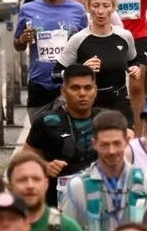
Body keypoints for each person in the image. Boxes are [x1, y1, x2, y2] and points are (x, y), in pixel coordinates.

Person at [60, 110, 147, 231]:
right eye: (104, 145)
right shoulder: (77, 187)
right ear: (94, 144)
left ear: (127, 141)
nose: (111, 151)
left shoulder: (146, 184)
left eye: (117, 143)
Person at [55, 0, 144, 125]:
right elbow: (55, 74)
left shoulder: (125, 36)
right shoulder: (78, 39)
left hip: (119, 103)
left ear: (113, 8)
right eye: (95, 6)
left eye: (106, 5)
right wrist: (81, 69)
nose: (101, 11)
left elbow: (133, 62)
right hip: (88, 105)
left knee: (122, 144)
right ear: (88, 8)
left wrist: (135, 70)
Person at [22, 64, 102, 208]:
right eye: (75, 88)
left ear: (95, 90)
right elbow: (25, 158)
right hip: (56, 204)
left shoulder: (106, 120)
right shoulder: (46, 121)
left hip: (99, 203)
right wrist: (45, 166)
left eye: (88, 88)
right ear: (63, 91)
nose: (82, 93)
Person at [14, 0, 89, 112]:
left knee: (67, 133)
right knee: (39, 133)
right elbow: (18, 45)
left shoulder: (78, 9)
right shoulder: (28, 9)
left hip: (68, 83)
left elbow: (86, 45)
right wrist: (22, 39)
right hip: (39, 83)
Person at [5, 150, 92, 231]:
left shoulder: (67, 228)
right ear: (10, 186)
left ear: (46, 184)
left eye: (36, 179)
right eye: (23, 180)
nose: (30, 185)